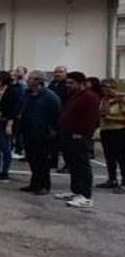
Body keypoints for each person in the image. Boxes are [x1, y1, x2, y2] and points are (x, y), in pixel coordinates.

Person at [55, 72, 100, 209]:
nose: (68, 85)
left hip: (79, 136)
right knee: (72, 164)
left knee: (82, 165)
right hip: (68, 135)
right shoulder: (74, 95)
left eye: (71, 83)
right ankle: (76, 191)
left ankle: (86, 196)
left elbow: (91, 118)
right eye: (67, 83)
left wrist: (81, 133)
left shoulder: (90, 97)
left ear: (81, 83)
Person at [19, 71, 61, 196]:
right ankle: (34, 183)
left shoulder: (50, 96)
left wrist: (51, 130)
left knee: (42, 161)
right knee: (32, 160)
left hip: (43, 133)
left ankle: (44, 185)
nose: (28, 81)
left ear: (39, 81)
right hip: (28, 131)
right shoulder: (27, 94)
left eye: (31, 79)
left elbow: (56, 114)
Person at [98, 79, 125, 193]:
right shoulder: (105, 99)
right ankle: (112, 179)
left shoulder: (122, 99)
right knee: (109, 157)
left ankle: (124, 183)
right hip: (106, 130)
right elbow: (102, 113)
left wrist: (111, 118)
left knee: (122, 157)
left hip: (119, 131)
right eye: (103, 87)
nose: (106, 89)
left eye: (109, 87)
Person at [47, 65, 69, 172]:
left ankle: (68, 164)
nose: (57, 74)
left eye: (60, 72)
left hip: (64, 117)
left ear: (65, 73)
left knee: (64, 143)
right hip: (53, 117)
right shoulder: (52, 84)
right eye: (56, 72)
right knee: (53, 141)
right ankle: (53, 161)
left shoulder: (67, 86)